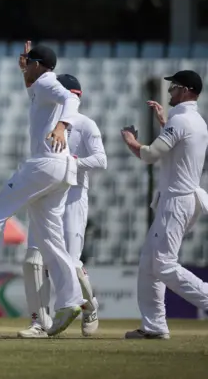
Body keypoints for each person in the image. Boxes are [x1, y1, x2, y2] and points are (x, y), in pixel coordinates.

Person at [0, 42, 86, 337]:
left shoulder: (49, 82)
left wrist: (62, 127)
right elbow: (33, 87)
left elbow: (71, 101)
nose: (26, 68)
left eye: (29, 63)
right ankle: (71, 301)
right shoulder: (39, 84)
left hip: (45, 164)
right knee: (51, 241)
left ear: (39, 65)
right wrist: (25, 70)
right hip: (61, 170)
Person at [18, 74, 107, 339]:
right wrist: (27, 72)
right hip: (45, 192)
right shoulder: (44, 118)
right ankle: (39, 323)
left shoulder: (85, 125)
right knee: (33, 261)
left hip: (73, 195)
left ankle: (89, 306)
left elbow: (101, 160)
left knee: (71, 262)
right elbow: (33, 94)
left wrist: (70, 163)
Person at [121, 70, 208, 339]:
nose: (169, 92)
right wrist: (164, 123)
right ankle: (154, 326)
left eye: (173, 88)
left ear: (185, 91)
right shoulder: (193, 120)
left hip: (177, 201)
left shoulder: (180, 120)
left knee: (163, 265)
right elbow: (177, 153)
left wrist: (131, 141)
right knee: (149, 263)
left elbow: (150, 155)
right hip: (181, 198)